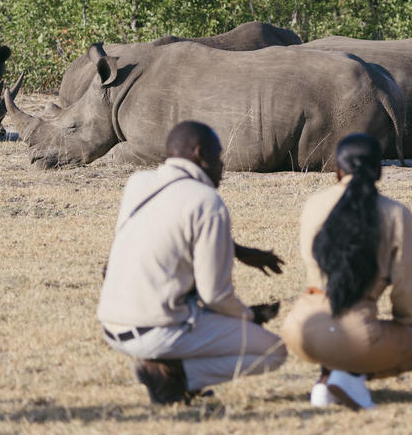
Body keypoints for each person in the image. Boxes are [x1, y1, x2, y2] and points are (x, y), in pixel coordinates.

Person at [97, 121, 287, 405]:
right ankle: (174, 377)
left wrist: (238, 251)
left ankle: (167, 367)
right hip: (156, 330)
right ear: (200, 154)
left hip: (111, 324)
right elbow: (215, 296)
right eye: (218, 155)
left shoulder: (138, 183)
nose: (222, 165)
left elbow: (167, 231)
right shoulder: (208, 201)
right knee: (274, 351)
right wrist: (250, 316)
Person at [280, 133, 412, 410]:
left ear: (338, 170)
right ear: (379, 170)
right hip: (355, 331)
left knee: (334, 333)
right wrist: (405, 320)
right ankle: (348, 376)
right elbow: (410, 281)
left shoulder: (313, 204)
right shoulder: (395, 213)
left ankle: (326, 379)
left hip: (301, 329)